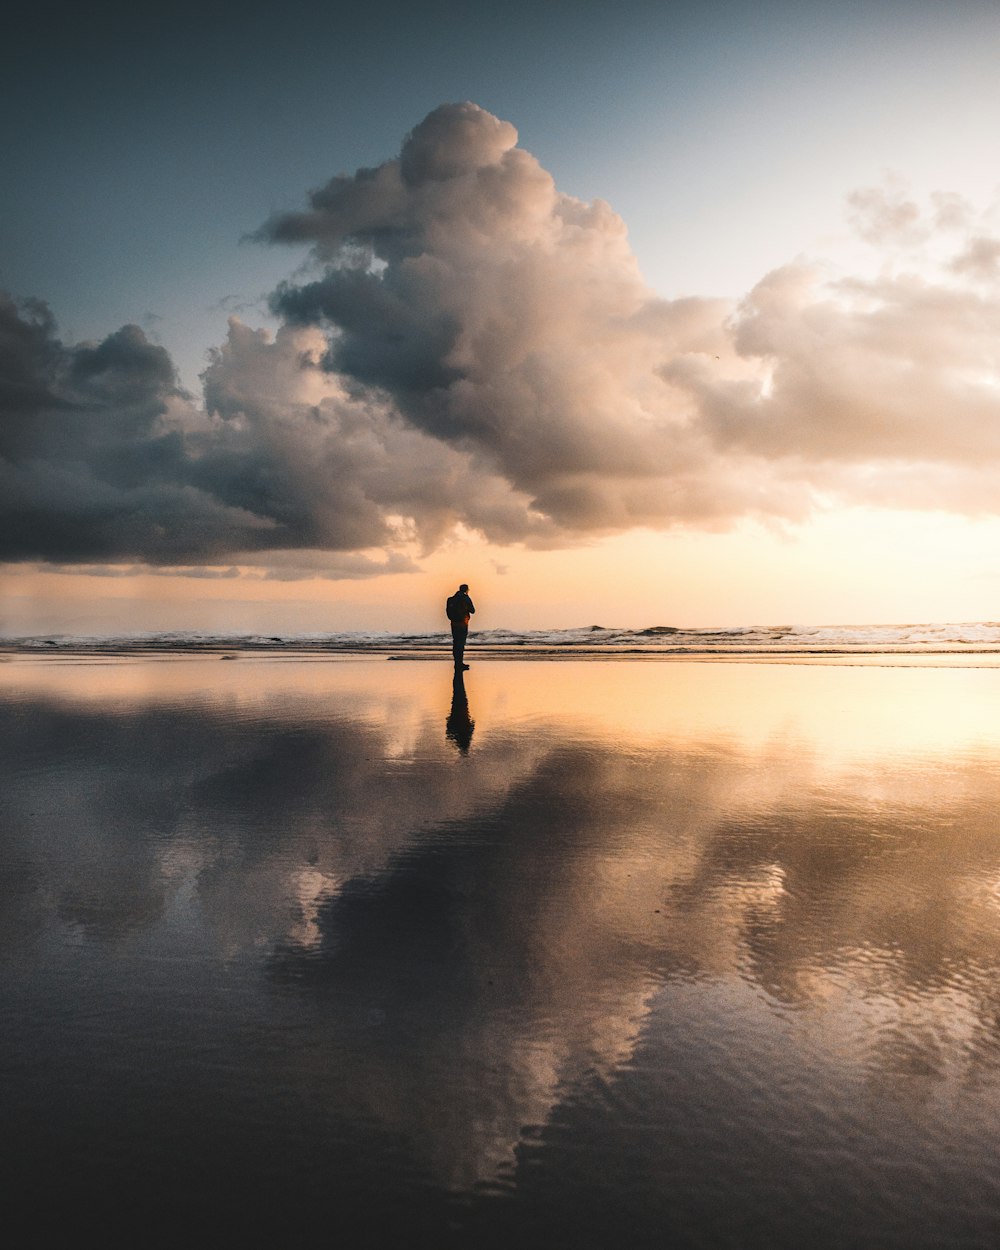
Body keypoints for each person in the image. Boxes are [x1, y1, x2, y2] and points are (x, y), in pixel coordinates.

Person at [445, 583, 475, 669]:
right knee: (461, 644)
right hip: (463, 623)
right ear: (466, 590)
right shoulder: (466, 598)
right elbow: (473, 610)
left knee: (455, 642)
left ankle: (456, 662)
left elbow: (448, 612)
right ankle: (459, 663)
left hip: (454, 623)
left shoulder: (451, 599)